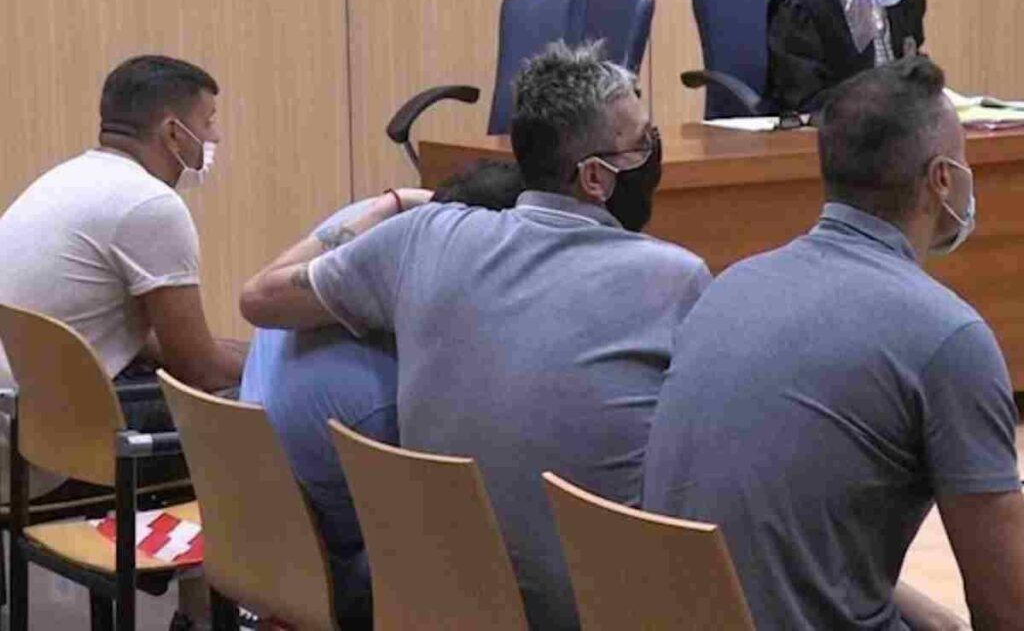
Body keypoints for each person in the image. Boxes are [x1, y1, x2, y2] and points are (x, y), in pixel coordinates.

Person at [239, 41, 712, 629]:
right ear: (596, 177)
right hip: (596, 611)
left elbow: (259, 297)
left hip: (440, 605)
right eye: (642, 143)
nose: (653, 152)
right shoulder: (674, 278)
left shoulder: (421, 237)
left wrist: (393, 205)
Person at [643, 56, 1024, 630]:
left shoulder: (731, 286)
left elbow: (786, 542)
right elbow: (1007, 609)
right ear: (943, 179)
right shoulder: (949, 338)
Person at [238, 159, 524, 628]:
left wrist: (395, 202)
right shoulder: (382, 407)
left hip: (261, 537)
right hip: (333, 571)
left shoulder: (358, 224)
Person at [0, 55, 247, 498]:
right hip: (52, 449)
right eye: (208, 121)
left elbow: (135, 340)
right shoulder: (149, 204)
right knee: (260, 417)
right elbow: (199, 369)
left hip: (19, 423)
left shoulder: (67, 179)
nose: (215, 136)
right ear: (173, 132)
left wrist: (243, 352)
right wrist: (273, 366)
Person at [766, 0, 943, 114]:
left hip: (898, 120)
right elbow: (801, 96)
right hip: (840, 124)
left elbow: (910, 57)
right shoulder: (805, 5)